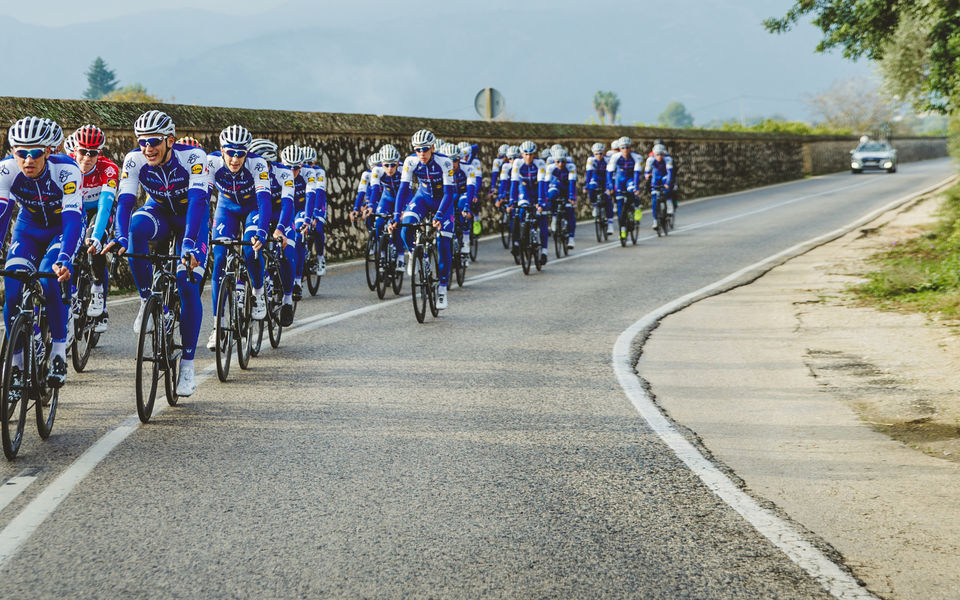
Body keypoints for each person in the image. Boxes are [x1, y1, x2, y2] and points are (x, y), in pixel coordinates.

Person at [107, 110, 209, 396]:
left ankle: (187, 366)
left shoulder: (193, 158)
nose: (147, 148)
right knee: (134, 229)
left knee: (187, 286)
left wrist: (188, 242)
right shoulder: (135, 159)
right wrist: (119, 236)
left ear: (170, 140)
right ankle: (146, 301)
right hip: (161, 213)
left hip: (192, 219)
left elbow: (199, 201)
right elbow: (126, 201)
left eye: (153, 141)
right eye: (142, 142)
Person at [0, 116, 83, 388]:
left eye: (35, 153)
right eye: (21, 153)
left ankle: (59, 352)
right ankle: (16, 364)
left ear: (49, 151)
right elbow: (2, 215)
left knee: (49, 279)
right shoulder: (6, 170)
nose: (28, 160)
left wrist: (65, 258)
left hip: (62, 227)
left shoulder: (67, 170)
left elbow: (73, 219)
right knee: (12, 288)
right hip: (29, 228)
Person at [204, 125, 272, 351]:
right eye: (230, 152)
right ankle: (217, 326)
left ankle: (259, 292)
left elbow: (264, 200)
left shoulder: (258, 164)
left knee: (250, 249)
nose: (235, 158)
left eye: (240, 153)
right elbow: (203, 198)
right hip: (227, 208)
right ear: (221, 149)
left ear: (247, 152)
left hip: (253, 208)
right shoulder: (211, 162)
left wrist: (262, 231)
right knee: (220, 258)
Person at [387, 129, 455, 310]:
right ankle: (416, 256)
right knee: (405, 228)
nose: (421, 153)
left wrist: (439, 216)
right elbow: (403, 189)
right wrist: (396, 215)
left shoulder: (445, 162)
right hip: (423, 199)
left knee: (443, 243)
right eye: (418, 150)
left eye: (425, 149)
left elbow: (450, 194)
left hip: (443, 203)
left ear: (432, 147)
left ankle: (442, 289)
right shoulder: (410, 162)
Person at [73, 124, 120, 333]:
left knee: (95, 242)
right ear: (75, 150)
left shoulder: (108, 169)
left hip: (99, 211)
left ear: (99, 153)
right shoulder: (67, 166)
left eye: (93, 153)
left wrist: (97, 235)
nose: (86, 158)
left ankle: (98, 289)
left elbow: (105, 205)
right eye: (83, 151)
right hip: (76, 211)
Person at [248, 138, 296, 326]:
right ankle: (260, 280)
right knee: (252, 245)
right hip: (260, 213)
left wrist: (280, 229)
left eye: (266, 164)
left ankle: (287, 300)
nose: (262, 168)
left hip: (282, 216)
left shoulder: (284, 173)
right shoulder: (248, 172)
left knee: (286, 252)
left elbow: (288, 204)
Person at [509, 140, 548, 264]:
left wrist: (541, 203)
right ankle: (518, 241)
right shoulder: (517, 163)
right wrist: (511, 201)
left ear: (534, 154)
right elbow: (514, 183)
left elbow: (542, 184)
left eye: (531, 154)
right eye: (526, 154)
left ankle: (544, 251)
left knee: (542, 218)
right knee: (520, 211)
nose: (528, 157)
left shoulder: (540, 163)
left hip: (538, 190)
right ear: (521, 154)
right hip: (524, 188)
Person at [367, 144, 403, 268]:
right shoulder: (377, 171)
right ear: (381, 164)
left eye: (393, 164)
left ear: (398, 163)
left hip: (401, 199)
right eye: (386, 165)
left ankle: (400, 257)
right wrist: (371, 206)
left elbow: (407, 192)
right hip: (386, 198)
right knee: (379, 223)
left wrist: (403, 210)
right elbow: (375, 189)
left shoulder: (404, 169)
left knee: (399, 226)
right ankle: (381, 254)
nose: (389, 168)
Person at [605, 136, 643, 239]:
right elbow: (609, 173)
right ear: (620, 148)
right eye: (623, 148)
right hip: (620, 179)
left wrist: (636, 187)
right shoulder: (615, 157)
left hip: (630, 178)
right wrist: (610, 186)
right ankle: (622, 229)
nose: (625, 150)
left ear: (630, 148)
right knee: (620, 207)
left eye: (627, 147)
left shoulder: (636, 157)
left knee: (632, 191)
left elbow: (636, 174)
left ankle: (637, 207)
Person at [543, 147, 577, 249]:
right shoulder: (551, 167)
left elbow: (572, 183)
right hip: (556, 186)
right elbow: (546, 183)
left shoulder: (571, 166)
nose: (561, 164)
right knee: (551, 195)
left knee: (570, 212)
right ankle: (554, 216)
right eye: (558, 162)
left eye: (563, 161)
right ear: (554, 161)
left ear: (566, 160)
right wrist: (544, 198)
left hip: (567, 188)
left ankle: (571, 238)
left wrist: (571, 197)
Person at [302, 146, 328, 277]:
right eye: (304, 163)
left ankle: (320, 258)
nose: (308, 166)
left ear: (315, 163)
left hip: (319, 202)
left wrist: (315, 214)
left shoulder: (319, 172)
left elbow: (319, 193)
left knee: (317, 228)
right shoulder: (298, 170)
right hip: (304, 201)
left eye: (310, 163)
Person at [585, 142, 614, 236]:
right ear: (593, 153)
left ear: (604, 153)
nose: (599, 155)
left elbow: (609, 174)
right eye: (596, 153)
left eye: (601, 153)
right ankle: (594, 205)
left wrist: (609, 187)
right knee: (591, 187)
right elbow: (589, 174)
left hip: (605, 179)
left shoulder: (607, 159)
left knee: (608, 199)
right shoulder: (591, 160)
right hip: (596, 178)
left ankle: (610, 223)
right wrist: (587, 185)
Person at [644, 143, 674, 230]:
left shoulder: (668, 159)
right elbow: (646, 172)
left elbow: (670, 173)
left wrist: (667, 184)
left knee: (667, 190)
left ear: (664, 154)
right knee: (654, 200)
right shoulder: (650, 160)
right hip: (655, 178)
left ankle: (669, 205)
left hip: (664, 177)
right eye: (657, 154)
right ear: (654, 154)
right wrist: (647, 176)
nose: (659, 156)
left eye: (661, 154)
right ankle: (655, 221)